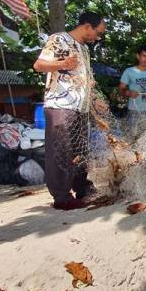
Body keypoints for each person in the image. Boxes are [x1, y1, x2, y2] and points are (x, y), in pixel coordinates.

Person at [33, 11, 107, 210]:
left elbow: (87, 79)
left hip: (80, 108)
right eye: (98, 33)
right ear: (87, 27)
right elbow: (39, 65)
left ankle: (83, 187)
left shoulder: (84, 50)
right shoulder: (59, 39)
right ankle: (61, 197)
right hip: (60, 106)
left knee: (81, 152)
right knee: (61, 151)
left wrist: (94, 99)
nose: (98, 38)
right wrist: (62, 64)